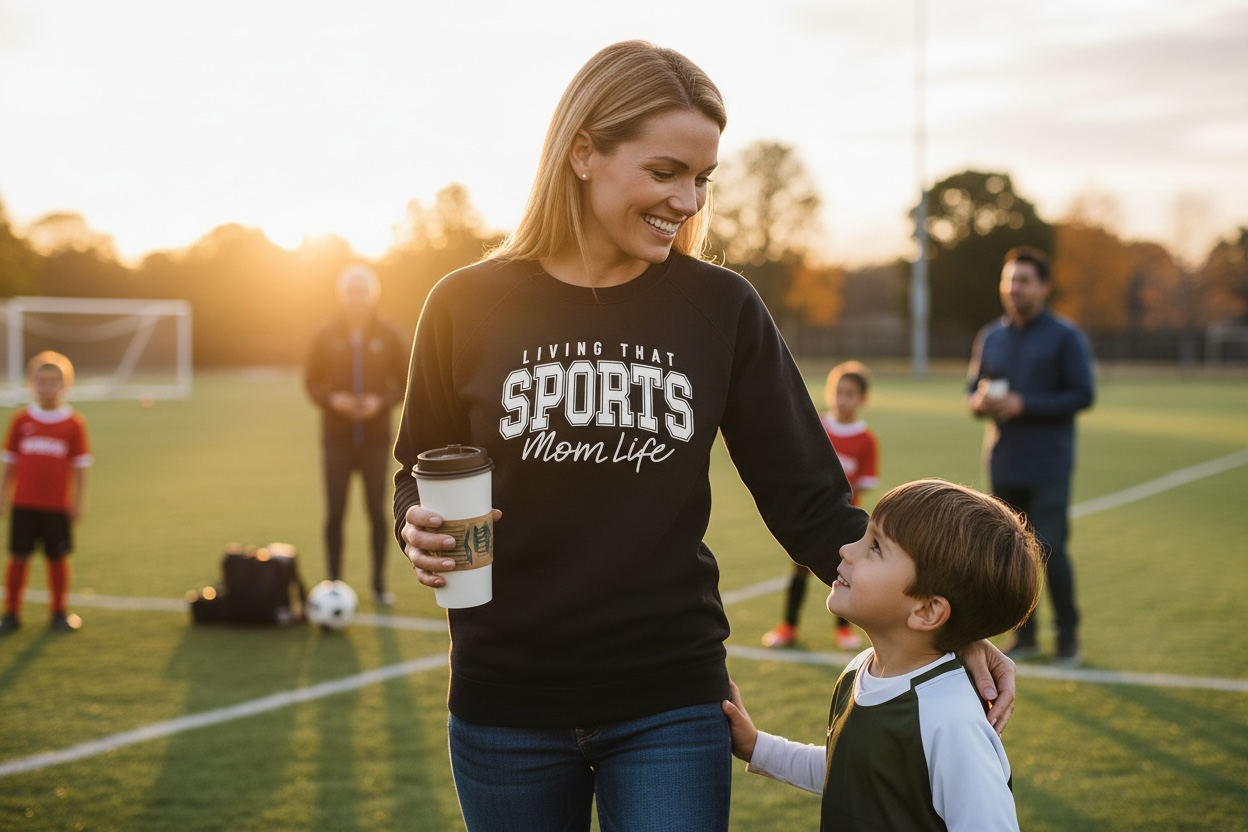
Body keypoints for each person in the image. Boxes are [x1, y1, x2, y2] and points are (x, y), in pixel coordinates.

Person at [393, 41, 1016, 832]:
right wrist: (416, 524)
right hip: (504, 699)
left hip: (669, 698)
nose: (688, 201)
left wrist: (945, 629)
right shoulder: (463, 304)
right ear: (582, 152)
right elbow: (418, 469)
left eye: (702, 178)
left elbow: (809, 503)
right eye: (665, 172)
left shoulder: (721, 307)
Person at [723, 479, 1042, 831]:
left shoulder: (951, 721)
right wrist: (757, 747)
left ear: (926, 611)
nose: (846, 549)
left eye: (875, 547)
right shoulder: (860, 670)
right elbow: (850, 773)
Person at [967, 246, 1094, 666]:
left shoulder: (1065, 336)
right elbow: (972, 391)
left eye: (1023, 280)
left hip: (1048, 464)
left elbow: (1083, 394)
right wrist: (980, 402)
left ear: (1043, 287)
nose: (1014, 288)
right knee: (1007, 556)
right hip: (1004, 461)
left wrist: (1026, 404)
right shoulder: (992, 336)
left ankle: (1068, 636)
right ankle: (1025, 635)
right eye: (1009, 280)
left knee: (1051, 549)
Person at [305, 263, 409, 604]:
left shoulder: (389, 334)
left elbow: (406, 381)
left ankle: (379, 585)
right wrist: (332, 400)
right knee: (335, 513)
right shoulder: (325, 334)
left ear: (372, 295)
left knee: (377, 513)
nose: (356, 298)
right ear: (342, 295)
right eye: (350, 292)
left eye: (362, 292)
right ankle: (334, 582)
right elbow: (311, 382)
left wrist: (380, 402)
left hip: (376, 441)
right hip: (335, 441)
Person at [764, 360, 878, 650]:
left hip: (843, 521)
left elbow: (865, 481)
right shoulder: (817, 427)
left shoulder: (866, 439)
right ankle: (788, 626)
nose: (842, 399)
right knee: (799, 571)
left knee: (845, 575)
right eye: (838, 392)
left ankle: (843, 630)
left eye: (850, 394)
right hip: (811, 515)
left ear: (862, 399)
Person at [0, 351, 92, 633]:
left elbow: (81, 467)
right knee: (19, 557)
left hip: (56, 505)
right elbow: (9, 463)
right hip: (24, 503)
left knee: (57, 558)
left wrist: (77, 503)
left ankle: (59, 612)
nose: (47, 387)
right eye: (41, 381)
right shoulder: (21, 420)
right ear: (32, 384)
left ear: (65, 385)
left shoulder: (73, 423)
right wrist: (2, 497)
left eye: (53, 382)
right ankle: (11, 614)